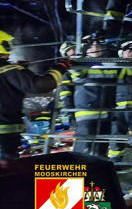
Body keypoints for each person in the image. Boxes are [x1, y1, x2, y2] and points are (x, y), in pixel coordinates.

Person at [0, 30, 71, 160]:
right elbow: (40, 85)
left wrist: (20, 70)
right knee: (7, 169)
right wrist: (62, 66)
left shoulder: (8, 70)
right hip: (4, 136)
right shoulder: (7, 69)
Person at [69, 41, 118, 157]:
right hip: (87, 113)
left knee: (101, 150)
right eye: (91, 47)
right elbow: (76, 71)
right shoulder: (81, 64)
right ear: (85, 50)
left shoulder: (110, 64)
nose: (95, 48)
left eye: (98, 46)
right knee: (83, 150)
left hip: (106, 113)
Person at [108, 40, 132, 162]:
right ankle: (115, 160)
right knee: (117, 135)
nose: (131, 53)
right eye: (128, 51)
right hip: (119, 108)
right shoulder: (117, 66)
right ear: (121, 53)